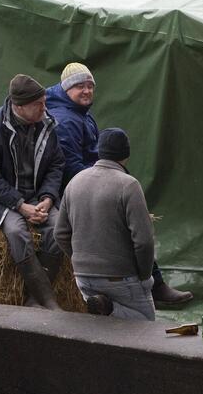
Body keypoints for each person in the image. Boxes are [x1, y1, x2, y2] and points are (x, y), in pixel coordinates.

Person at [45, 61, 192, 308]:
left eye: (90, 86)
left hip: (89, 180)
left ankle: (154, 283)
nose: (87, 91)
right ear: (67, 88)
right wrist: (107, 182)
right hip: (73, 190)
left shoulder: (80, 113)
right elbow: (71, 168)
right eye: (80, 86)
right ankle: (150, 283)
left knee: (136, 221)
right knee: (129, 226)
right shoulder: (66, 121)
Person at [0, 74, 65, 310]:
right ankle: (48, 299)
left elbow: (56, 164)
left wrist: (48, 197)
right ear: (19, 107)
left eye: (45, 101)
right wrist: (20, 205)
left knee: (59, 229)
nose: (45, 108)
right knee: (16, 231)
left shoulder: (46, 124)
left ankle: (35, 300)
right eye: (39, 104)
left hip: (36, 194)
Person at [55, 128, 156, 320]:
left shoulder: (75, 181)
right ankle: (110, 309)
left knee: (102, 328)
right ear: (126, 154)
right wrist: (144, 276)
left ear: (99, 151)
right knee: (146, 325)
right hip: (121, 276)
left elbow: (60, 233)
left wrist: (80, 259)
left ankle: (106, 309)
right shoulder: (129, 185)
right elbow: (144, 241)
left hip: (83, 277)